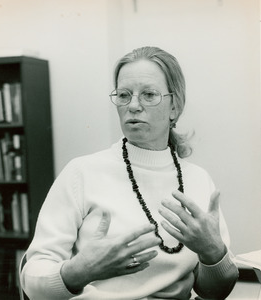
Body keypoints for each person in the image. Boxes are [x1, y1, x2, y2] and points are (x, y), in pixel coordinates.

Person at [20, 46, 239, 300]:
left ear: (174, 107)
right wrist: (80, 271)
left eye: (149, 95)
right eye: (124, 95)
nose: (133, 106)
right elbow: (32, 282)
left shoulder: (199, 180)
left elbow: (216, 292)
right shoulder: (81, 173)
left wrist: (213, 254)